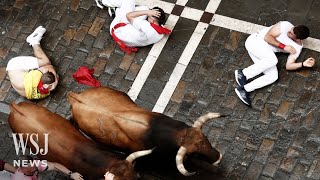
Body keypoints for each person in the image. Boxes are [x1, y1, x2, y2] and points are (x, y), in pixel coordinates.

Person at [234, 21, 315, 106]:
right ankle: (243, 73)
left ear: (297, 38)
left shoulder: (297, 47)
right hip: (255, 41)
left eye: (291, 34)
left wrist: (303, 64)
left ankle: (244, 89)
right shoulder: (285, 25)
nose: (289, 32)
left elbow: (289, 66)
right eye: (291, 29)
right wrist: (284, 47)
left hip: (263, 55)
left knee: (273, 76)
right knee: (273, 60)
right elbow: (267, 37)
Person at [95, 0, 171, 53]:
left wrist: (147, 12)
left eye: (150, 15)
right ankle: (117, 10)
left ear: (152, 20)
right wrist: (147, 12)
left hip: (117, 28)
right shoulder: (160, 33)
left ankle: (102, 1)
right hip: (128, 36)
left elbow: (129, 16)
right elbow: (161, 27)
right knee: (144, 8)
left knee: (129, 1)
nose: (149, 15)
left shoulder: (145, 26)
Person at [6, 26, 58, 100]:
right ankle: (34, 41)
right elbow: (48, 68)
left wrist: (55, 80)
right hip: (17, 80)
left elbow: (49, 67)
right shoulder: (41, 88)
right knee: (45, 63)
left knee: (46, 63)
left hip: (15, 66)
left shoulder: (38, 79)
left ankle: (34, 41)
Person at [11, 155, 83, 180]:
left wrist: (70, 174)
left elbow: (54, 165)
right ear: (22, 169)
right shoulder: (19, 178)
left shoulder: (36, 164)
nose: (36, 170)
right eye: (32, 171)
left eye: (35, 168)